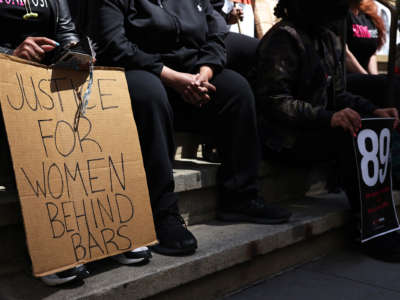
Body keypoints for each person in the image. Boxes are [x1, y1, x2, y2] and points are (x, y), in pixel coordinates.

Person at [93, 0, 292, 256]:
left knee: (236, 89)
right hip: (142, 71)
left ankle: (240, 196)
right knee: (149, 94)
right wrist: (171, 77)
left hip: (190, 75)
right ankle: (162, 214)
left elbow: (216, 32)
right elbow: (114, 44)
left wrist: (205, 72)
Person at [0, 0, 151, 286]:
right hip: (8, 82)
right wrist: (11, 54)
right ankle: (54, 247)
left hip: (43, 79)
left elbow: (65, 31)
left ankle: (113, 230)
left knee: (93, 111)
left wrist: (75, 52)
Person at [253, 0, 400, 261]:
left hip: (314, 128)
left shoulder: (329, 39)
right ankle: (366, 227)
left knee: (371, 123)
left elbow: (340, 95)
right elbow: (274, 103)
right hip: (283, 139)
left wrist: (373, 110)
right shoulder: (283, 39)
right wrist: (328, 117)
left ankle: (382, 218)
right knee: (348, 133)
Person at [345, 0, 400, 108]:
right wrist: (368, 78)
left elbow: (371, 53)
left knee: (392, 83)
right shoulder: (342, 14)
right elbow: (345, 54)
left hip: (365, 76)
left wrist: (373, 77)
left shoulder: (369, 13)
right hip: (344, 77)